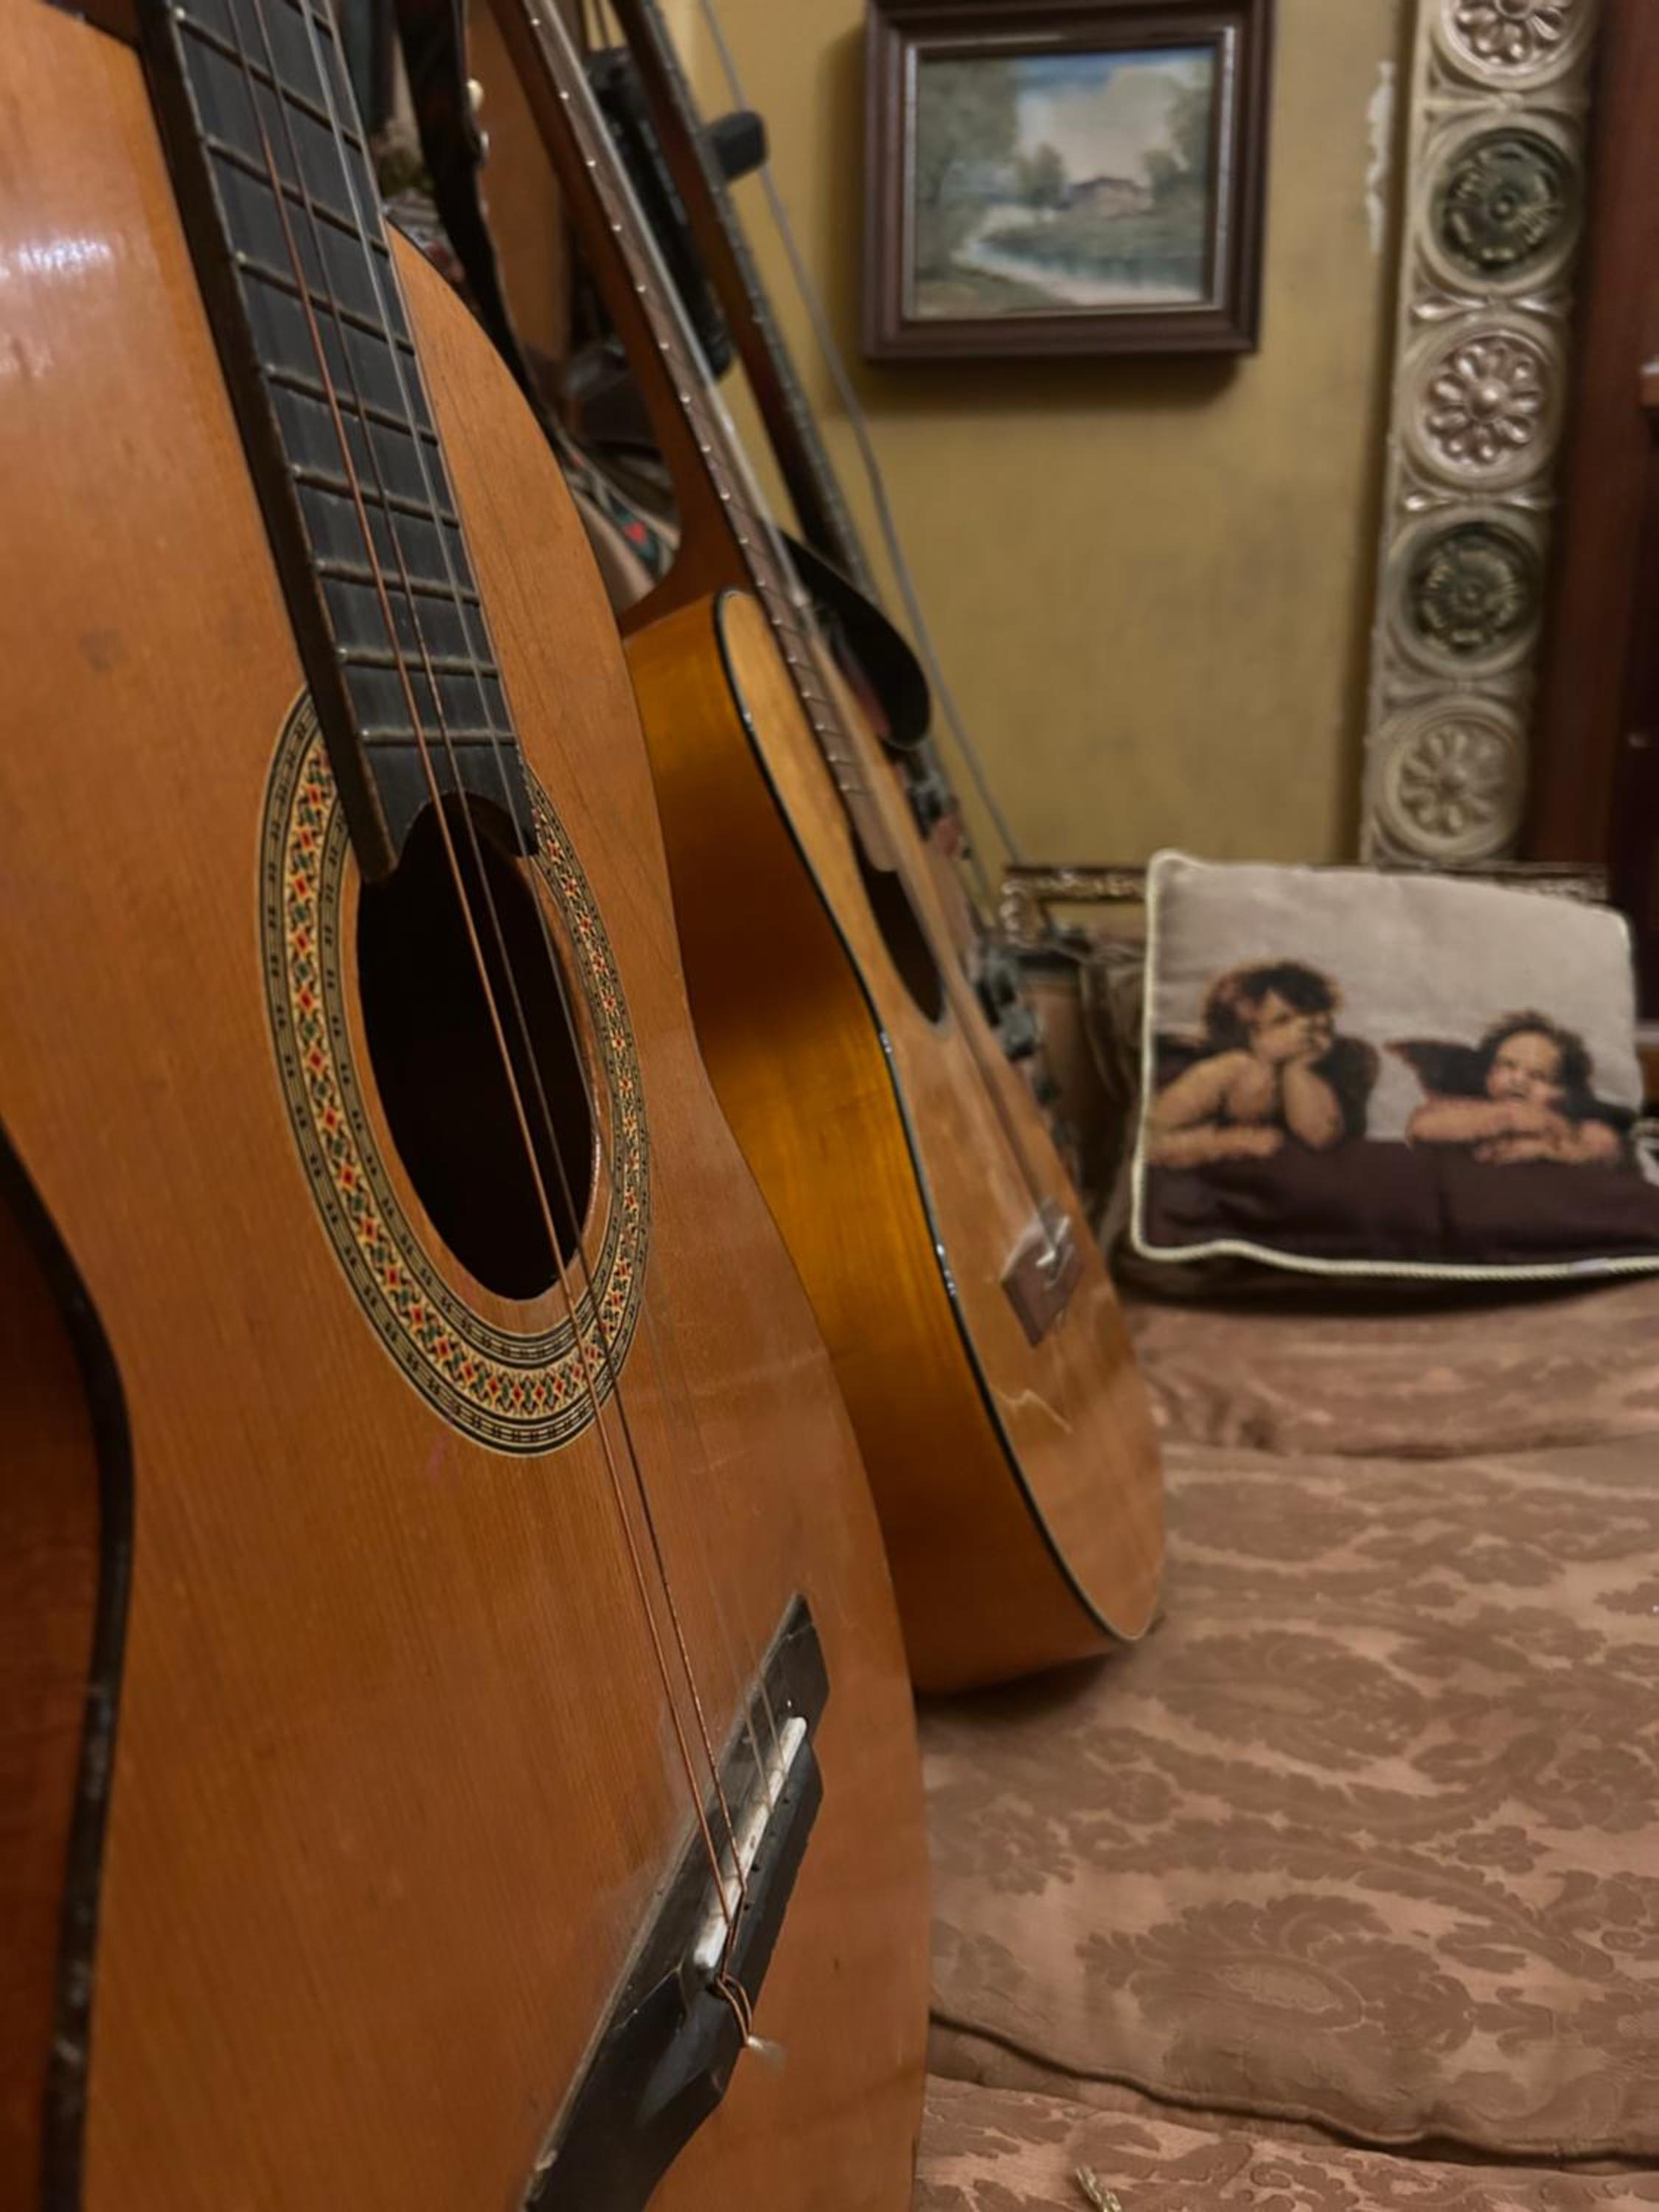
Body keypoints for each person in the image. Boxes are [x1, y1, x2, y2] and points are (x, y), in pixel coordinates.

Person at [1147, 961, 1369, 1169]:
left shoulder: (1320, 1067)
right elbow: (1149, 1137)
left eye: (1314, 1019)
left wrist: (1298, 1070)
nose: (1306, 1027)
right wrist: (1230, 1143)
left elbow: (1320, 1137)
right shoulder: (1229, 1068)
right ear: (1247, 1033)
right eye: (1283, 1020)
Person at [1407, 1012, 1624, 1166]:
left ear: (1563, 1091)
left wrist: (1553, 1151)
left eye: (1539, 1076)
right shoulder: (1469, 1107)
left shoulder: (1569, 1123)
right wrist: (1507, 1118)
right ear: (1489, 1074)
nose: (1518, 1081)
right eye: (1508, 1066)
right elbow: (1421, 1126)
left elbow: (1606, 1145)